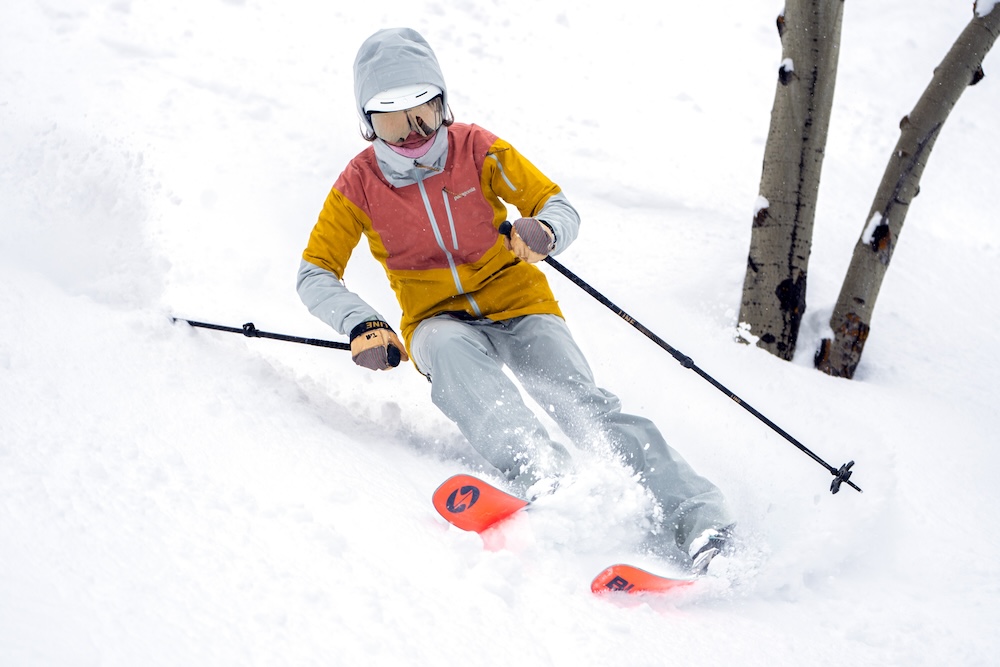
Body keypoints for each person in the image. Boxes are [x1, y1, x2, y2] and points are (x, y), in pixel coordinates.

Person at [297, 27, 734, 573]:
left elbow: (554, 201)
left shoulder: (476, 148)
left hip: (519, 300)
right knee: (455, 358)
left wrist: (545, 231)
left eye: (423, 114)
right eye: (391, 120)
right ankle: (551, 481)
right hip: (436, 320)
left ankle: (700, 522)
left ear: (442, 104)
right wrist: (362, 322)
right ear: (367, 123)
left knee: (585, 404)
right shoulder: (359, 184)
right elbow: (314, 271)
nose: (411, 133)